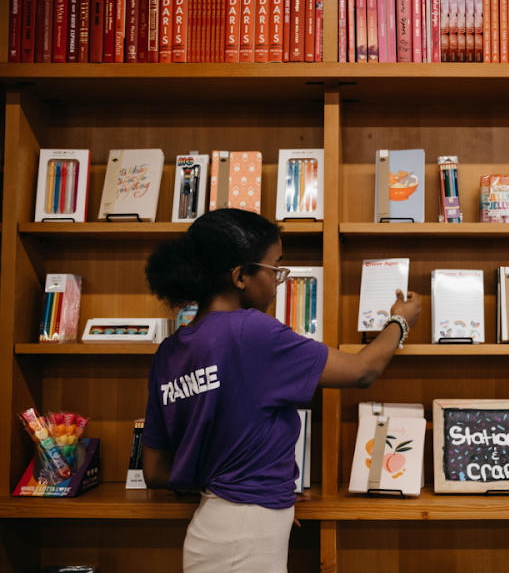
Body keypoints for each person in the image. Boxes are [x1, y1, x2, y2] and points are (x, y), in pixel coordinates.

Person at [142, 209, 421, 573]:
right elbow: (362, 371)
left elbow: (155, 471)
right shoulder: (249, 331)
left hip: (217, 528)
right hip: (243, 539)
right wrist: (400, 321)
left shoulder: (169, 352)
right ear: (240, 276)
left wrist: (262, 492)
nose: (278, 281)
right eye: (274, 268)